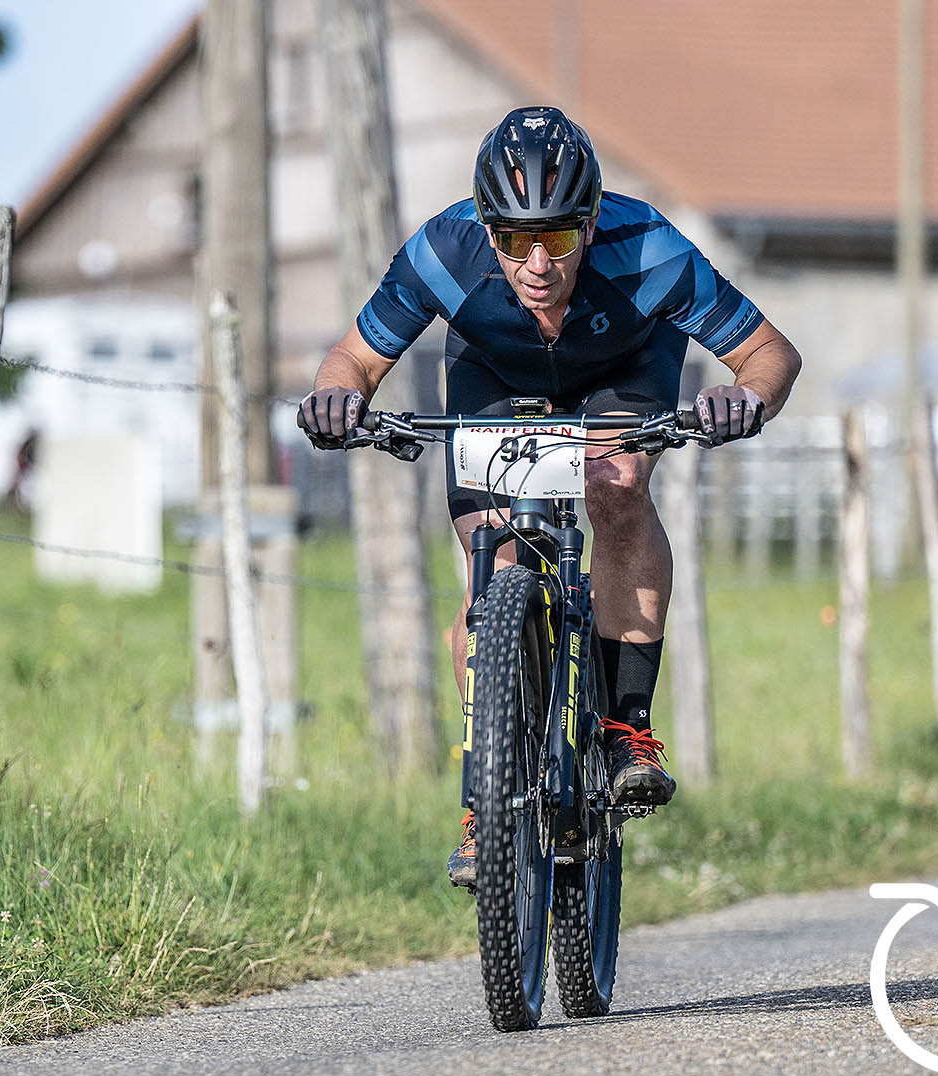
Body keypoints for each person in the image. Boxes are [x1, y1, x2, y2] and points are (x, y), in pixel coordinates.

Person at [297, 106, 801, 887]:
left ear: (591, 224)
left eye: (559, 238)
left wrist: (747, 398)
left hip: (623, 370)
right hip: (495, 378)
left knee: (616, 485)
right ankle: (488, 801)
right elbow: (353, 361)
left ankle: (625, 725)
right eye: (513, 240)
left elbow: (770, 353)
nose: (536, 263)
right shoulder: (442, 250)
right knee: (495, 562)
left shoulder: (651, 250)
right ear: (485, 228)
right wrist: (335, 398)